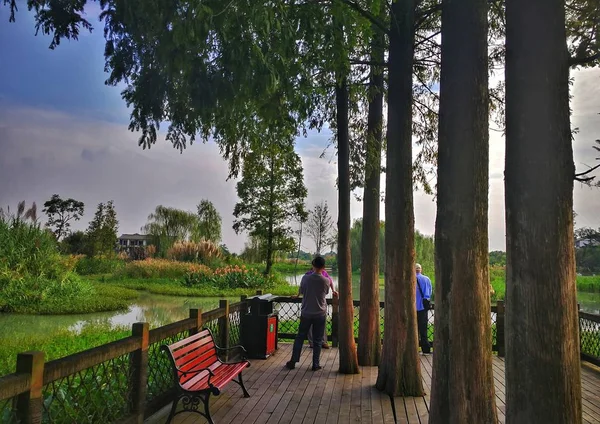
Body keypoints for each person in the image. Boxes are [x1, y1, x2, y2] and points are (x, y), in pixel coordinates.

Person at [286, 256, 331, 371]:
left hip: (306, 313)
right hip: (320, 313)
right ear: (324, 267)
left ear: (312, 265)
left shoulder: (305, 278)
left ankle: (293, 361)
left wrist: (296, 296)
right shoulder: (326, 280)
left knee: (300, 337)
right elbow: (325, 293)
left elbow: (301, 291)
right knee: (317, 340)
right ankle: (315, 364)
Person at [306, 268, 337, 349]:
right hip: (310, 303)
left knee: (321, 324)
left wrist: (333, 290)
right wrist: (298, 295)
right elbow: (302, 286)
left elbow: (330, 281)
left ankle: (323, 342)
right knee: (310, 325)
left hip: (320, 303)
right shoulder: (308, 274)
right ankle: (312, 343)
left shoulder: (324, 273)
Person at [416, 263, 432, 354]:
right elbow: (429, 293)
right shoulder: (427, 279)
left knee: (413, 329)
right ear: (420, 270)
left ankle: (413, 348)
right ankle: (425, 349)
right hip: (423, 307)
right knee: (423, 329)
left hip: (413, 308)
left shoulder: (411, 279)